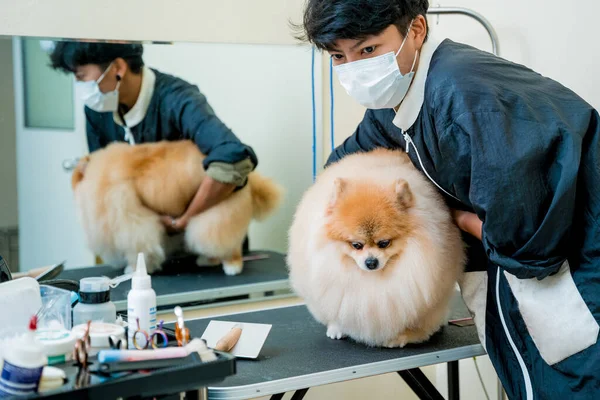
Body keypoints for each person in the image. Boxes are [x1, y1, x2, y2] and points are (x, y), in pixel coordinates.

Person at [297, 1, 600, 398]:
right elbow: (345, 162)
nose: (353, 68)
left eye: (367, 50)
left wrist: (450, 218)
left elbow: (525, 242)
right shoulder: (398, 102)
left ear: (417, 29)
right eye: (339, 56)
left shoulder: (464, 96)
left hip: (577, 261)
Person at [49, 42, 258, 232]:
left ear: (118, 68)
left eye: (81, 76)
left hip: (203, 236)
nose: (80, 87)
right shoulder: (97, 110)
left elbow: (234, 156)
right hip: (145, 243)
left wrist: (184, 220)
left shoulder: (178, 100)